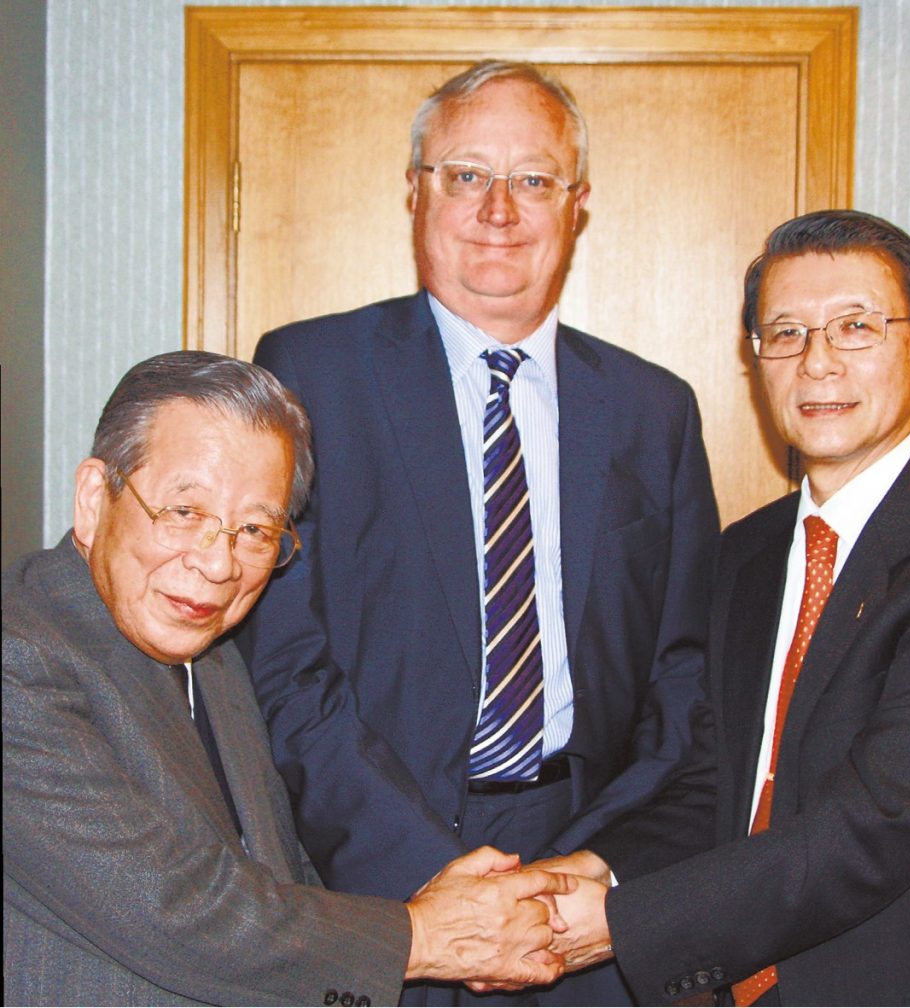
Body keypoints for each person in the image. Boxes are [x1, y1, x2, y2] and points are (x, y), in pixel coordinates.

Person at [236, 60, 719, 1004]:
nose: (500, 208)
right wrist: (430, 881)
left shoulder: (654, 410)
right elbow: (283, 664)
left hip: (583, 900)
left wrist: (596, 867)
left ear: (576, 206)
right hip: (377, 888)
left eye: (534, 179)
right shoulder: (308, 374)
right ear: (417, 192)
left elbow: (684, 676)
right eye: (466, 174)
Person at [544, 209, 910, 1005]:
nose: (818, 364)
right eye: (787, 334)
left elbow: (876, 824)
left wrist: (625, 922)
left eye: (855, 327)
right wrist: (594, 867)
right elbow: (721, 778)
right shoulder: (748, 552)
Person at [2, 350, 578, 1007]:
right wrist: (424, 935)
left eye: (254, 529)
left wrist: (435, 913)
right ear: (91, 500)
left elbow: (276, 873)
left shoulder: (213, 654)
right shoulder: (19, 661)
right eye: (184, 512)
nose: (219, 564)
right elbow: (178, 911)